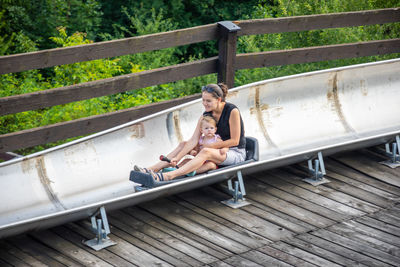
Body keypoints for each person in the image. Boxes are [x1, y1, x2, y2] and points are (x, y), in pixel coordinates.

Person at [133, 82, 246, 182]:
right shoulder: (206, 114)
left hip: (234, 152)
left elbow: (235, 141)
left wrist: (211, 145)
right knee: (183, 144)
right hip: (215, 150)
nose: (204, 103)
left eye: (208, 101)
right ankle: (152, 169)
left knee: (206, 151)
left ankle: (169, 176)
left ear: (219, 100)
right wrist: (178, 157)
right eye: (203, 100)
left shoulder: (232, 111)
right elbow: (193, 140)